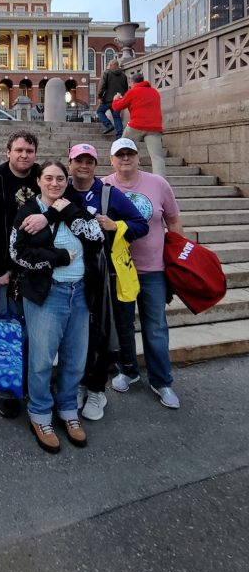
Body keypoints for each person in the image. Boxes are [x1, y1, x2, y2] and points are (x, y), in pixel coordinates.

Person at [10, 159, 105, 454]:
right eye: (48, 178)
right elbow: (17, 253)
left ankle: (67, 410)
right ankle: (39, 414)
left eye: (60, 178)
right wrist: (59, 257)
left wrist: (63, 211)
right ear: (38, 181)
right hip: (47, 294)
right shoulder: (27, 211)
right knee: (41, 360)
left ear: (66, 181)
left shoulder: (73, 206)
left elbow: (97, 239)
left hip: (79, 294)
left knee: (75, 358)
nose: (54, 183)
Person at [65, 142, 148, 422]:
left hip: (104, 275)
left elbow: (140, 223)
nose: (84, 166)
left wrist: (117, 226)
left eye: (89, 161)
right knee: (74, 335)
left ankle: (97, 389)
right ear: (70, 163)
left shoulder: (108, 193)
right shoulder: (60, 188)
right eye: (79, 160)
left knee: (101, 334)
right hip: (69, 273)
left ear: (96, 165)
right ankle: (76, 384)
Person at [104, 137, 185, 409]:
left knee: (156, 326)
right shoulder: (104, 185)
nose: (125, 158)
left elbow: (173, 220)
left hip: (153, 268)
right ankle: (128, 370)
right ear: (112, 159)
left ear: (138, 157)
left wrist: (178, 259)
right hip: (121, 269)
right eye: (120, 155)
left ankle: (162, 380)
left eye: (130, 154)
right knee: (124, 325)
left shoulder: (158, 184)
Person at [0, 130, 40, 419]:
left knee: (31, 329)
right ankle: (6, 390)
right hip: (4, 268)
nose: (24, 155)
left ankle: (27, 381)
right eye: (19, 150)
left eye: (29, 150)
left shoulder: (43, 176)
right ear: (8, 152)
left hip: (36, 267)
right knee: (5, 329)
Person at [112, 72, 166, 176]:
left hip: (136, 126)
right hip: (154, 128)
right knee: (157, 157)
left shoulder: (132, 92)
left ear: (132, 82)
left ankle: (118, 173)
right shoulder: (155, 92)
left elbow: (117, 107)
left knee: (121, 147)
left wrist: (116, 99)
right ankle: (161, 182)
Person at [96, 58, 128, 137]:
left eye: (109, 65)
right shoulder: (123, 75)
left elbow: (102, 86)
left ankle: (108, 125)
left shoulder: (107, 73)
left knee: (99, 111)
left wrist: (99, 97)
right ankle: (120, 135)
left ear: (111, 65)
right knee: (116, 117)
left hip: (107, 99)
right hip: (118, 100)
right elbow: (126, 89)